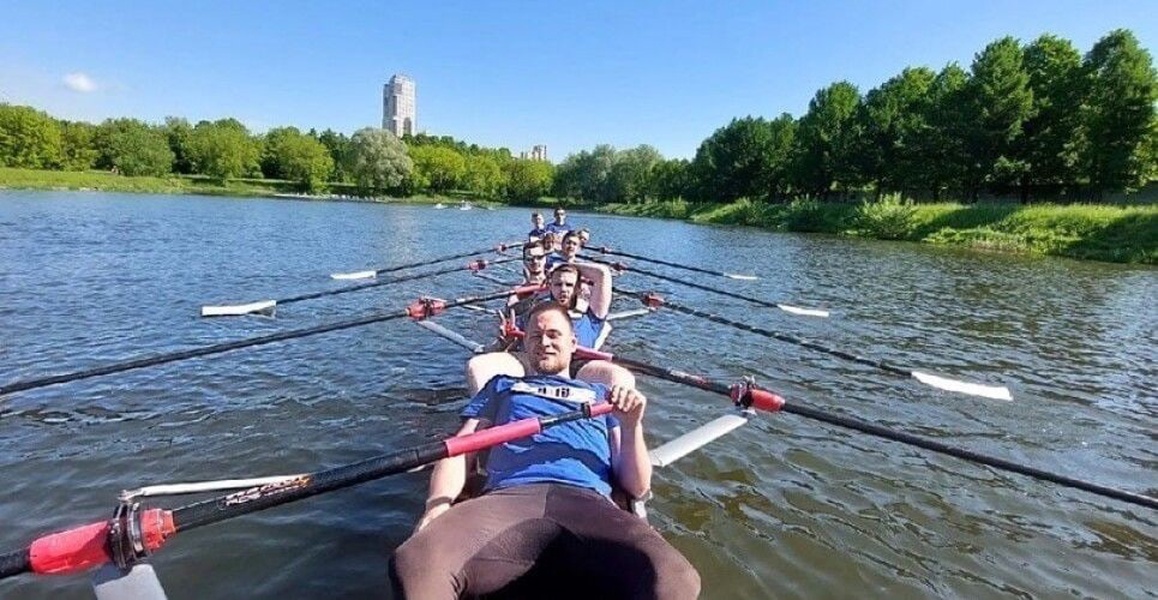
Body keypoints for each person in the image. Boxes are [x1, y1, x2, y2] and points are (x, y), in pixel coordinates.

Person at [389, 303, 701, 600]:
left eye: (554, 335)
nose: (544, 342)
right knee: (414, 560)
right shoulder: (503, 386)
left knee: (677, 578)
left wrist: (633, 425)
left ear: (573, 342)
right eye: (535, 336)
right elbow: (461, 448)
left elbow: (637, 486)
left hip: (588, 502)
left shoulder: (603, 395)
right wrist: (436, 507)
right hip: (508, 498)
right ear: (524, 344)